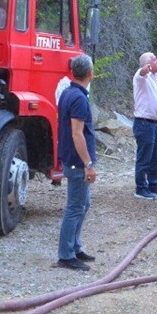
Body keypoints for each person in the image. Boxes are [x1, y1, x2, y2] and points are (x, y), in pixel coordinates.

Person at [55, 54, 98, 271]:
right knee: (75, 207)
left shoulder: (68, 93)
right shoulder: (79, 98)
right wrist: (88, 164)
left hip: (73, 160)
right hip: (76, 162)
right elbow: (77, 134)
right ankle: (66, 254)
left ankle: (75, 246)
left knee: (84, 204)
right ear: (90, 73)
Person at [132, 51, 157, 200]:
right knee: (144, 158)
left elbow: (153, 100)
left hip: (153, 123)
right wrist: (146, 69)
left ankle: (153, 185)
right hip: (143, 123)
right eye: (154, 59)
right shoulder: (141, 77)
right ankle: (140, 188)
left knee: (154, 157)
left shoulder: (155, 78)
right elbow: (141, 72)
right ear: (148, 64)